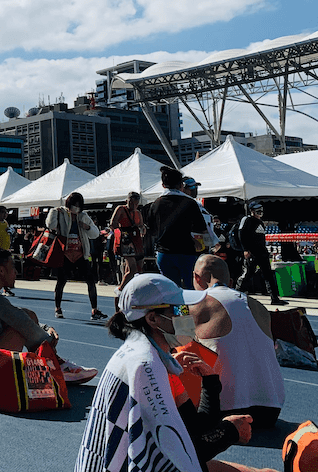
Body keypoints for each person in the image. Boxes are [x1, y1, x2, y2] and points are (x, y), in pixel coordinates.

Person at [76, 273, 271, 472]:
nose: (188, 315)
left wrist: (210, 382)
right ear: (153, 318)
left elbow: (195, 428)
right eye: (180, 309)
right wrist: (229, 431)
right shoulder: (146, 366)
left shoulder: (150, 357)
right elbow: (178, 455)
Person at [0, 248, 96, 386]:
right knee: (19, 330)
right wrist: (49, 341)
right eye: (13, 267)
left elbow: (19, 316)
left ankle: (53, 363)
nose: (16, 272)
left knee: (28, 315)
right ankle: (55, 365)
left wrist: (45, 328)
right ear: (1, 271)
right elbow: (22, 323)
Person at [192, 255, 284, 428]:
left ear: (197, 278)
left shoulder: (195, 303)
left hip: (223, 411)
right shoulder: (260, 306)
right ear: (231, 281)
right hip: (270, 410)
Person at [144, 166, 208, 289]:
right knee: (191, 289)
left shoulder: (155, 204)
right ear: (181, 185)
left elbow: (151, 230)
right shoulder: (190, 203)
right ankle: (188, 309)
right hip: (186, 252)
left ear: (163, 185)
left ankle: (176, 309)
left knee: (171, 291)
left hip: (164, 253)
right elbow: (201, 228)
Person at [46, 192, 106, 320]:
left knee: (90, 281)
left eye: (79, 205)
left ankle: (94, 309)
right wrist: (53, 212)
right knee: (61, 281)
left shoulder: (83, 216)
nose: (76, 208)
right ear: (69, 204)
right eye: (74, 205)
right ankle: (58, 308)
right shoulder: (61, 213)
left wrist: (87, 227)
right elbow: (50, 225)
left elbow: (95, 234)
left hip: (80, 254)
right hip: (65, 253)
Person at [234, 202, 287, 306]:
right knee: (247, 274)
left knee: (269, 275)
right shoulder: (247, 220)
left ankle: (274, 298)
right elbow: (241, 234)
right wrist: (245, 249)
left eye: (261, 210)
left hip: (262, 253)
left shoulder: (260, 222)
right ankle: (236, 295)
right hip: (252, 253)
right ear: (252, 211)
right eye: (258, 210)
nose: (260, 212)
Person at [109, 191, 147, 306]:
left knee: (138, 268)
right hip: (126, 240)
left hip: (136, 241)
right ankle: (120, 289)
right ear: (127, 201)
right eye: (131, 202)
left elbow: (141, 226)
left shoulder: (138, 213)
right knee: (132, 268)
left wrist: (142, 228)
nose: (133, 205)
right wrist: (120, 233)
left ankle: (127, 289)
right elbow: (113, 223)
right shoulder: (121, 209)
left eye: (135, 203)